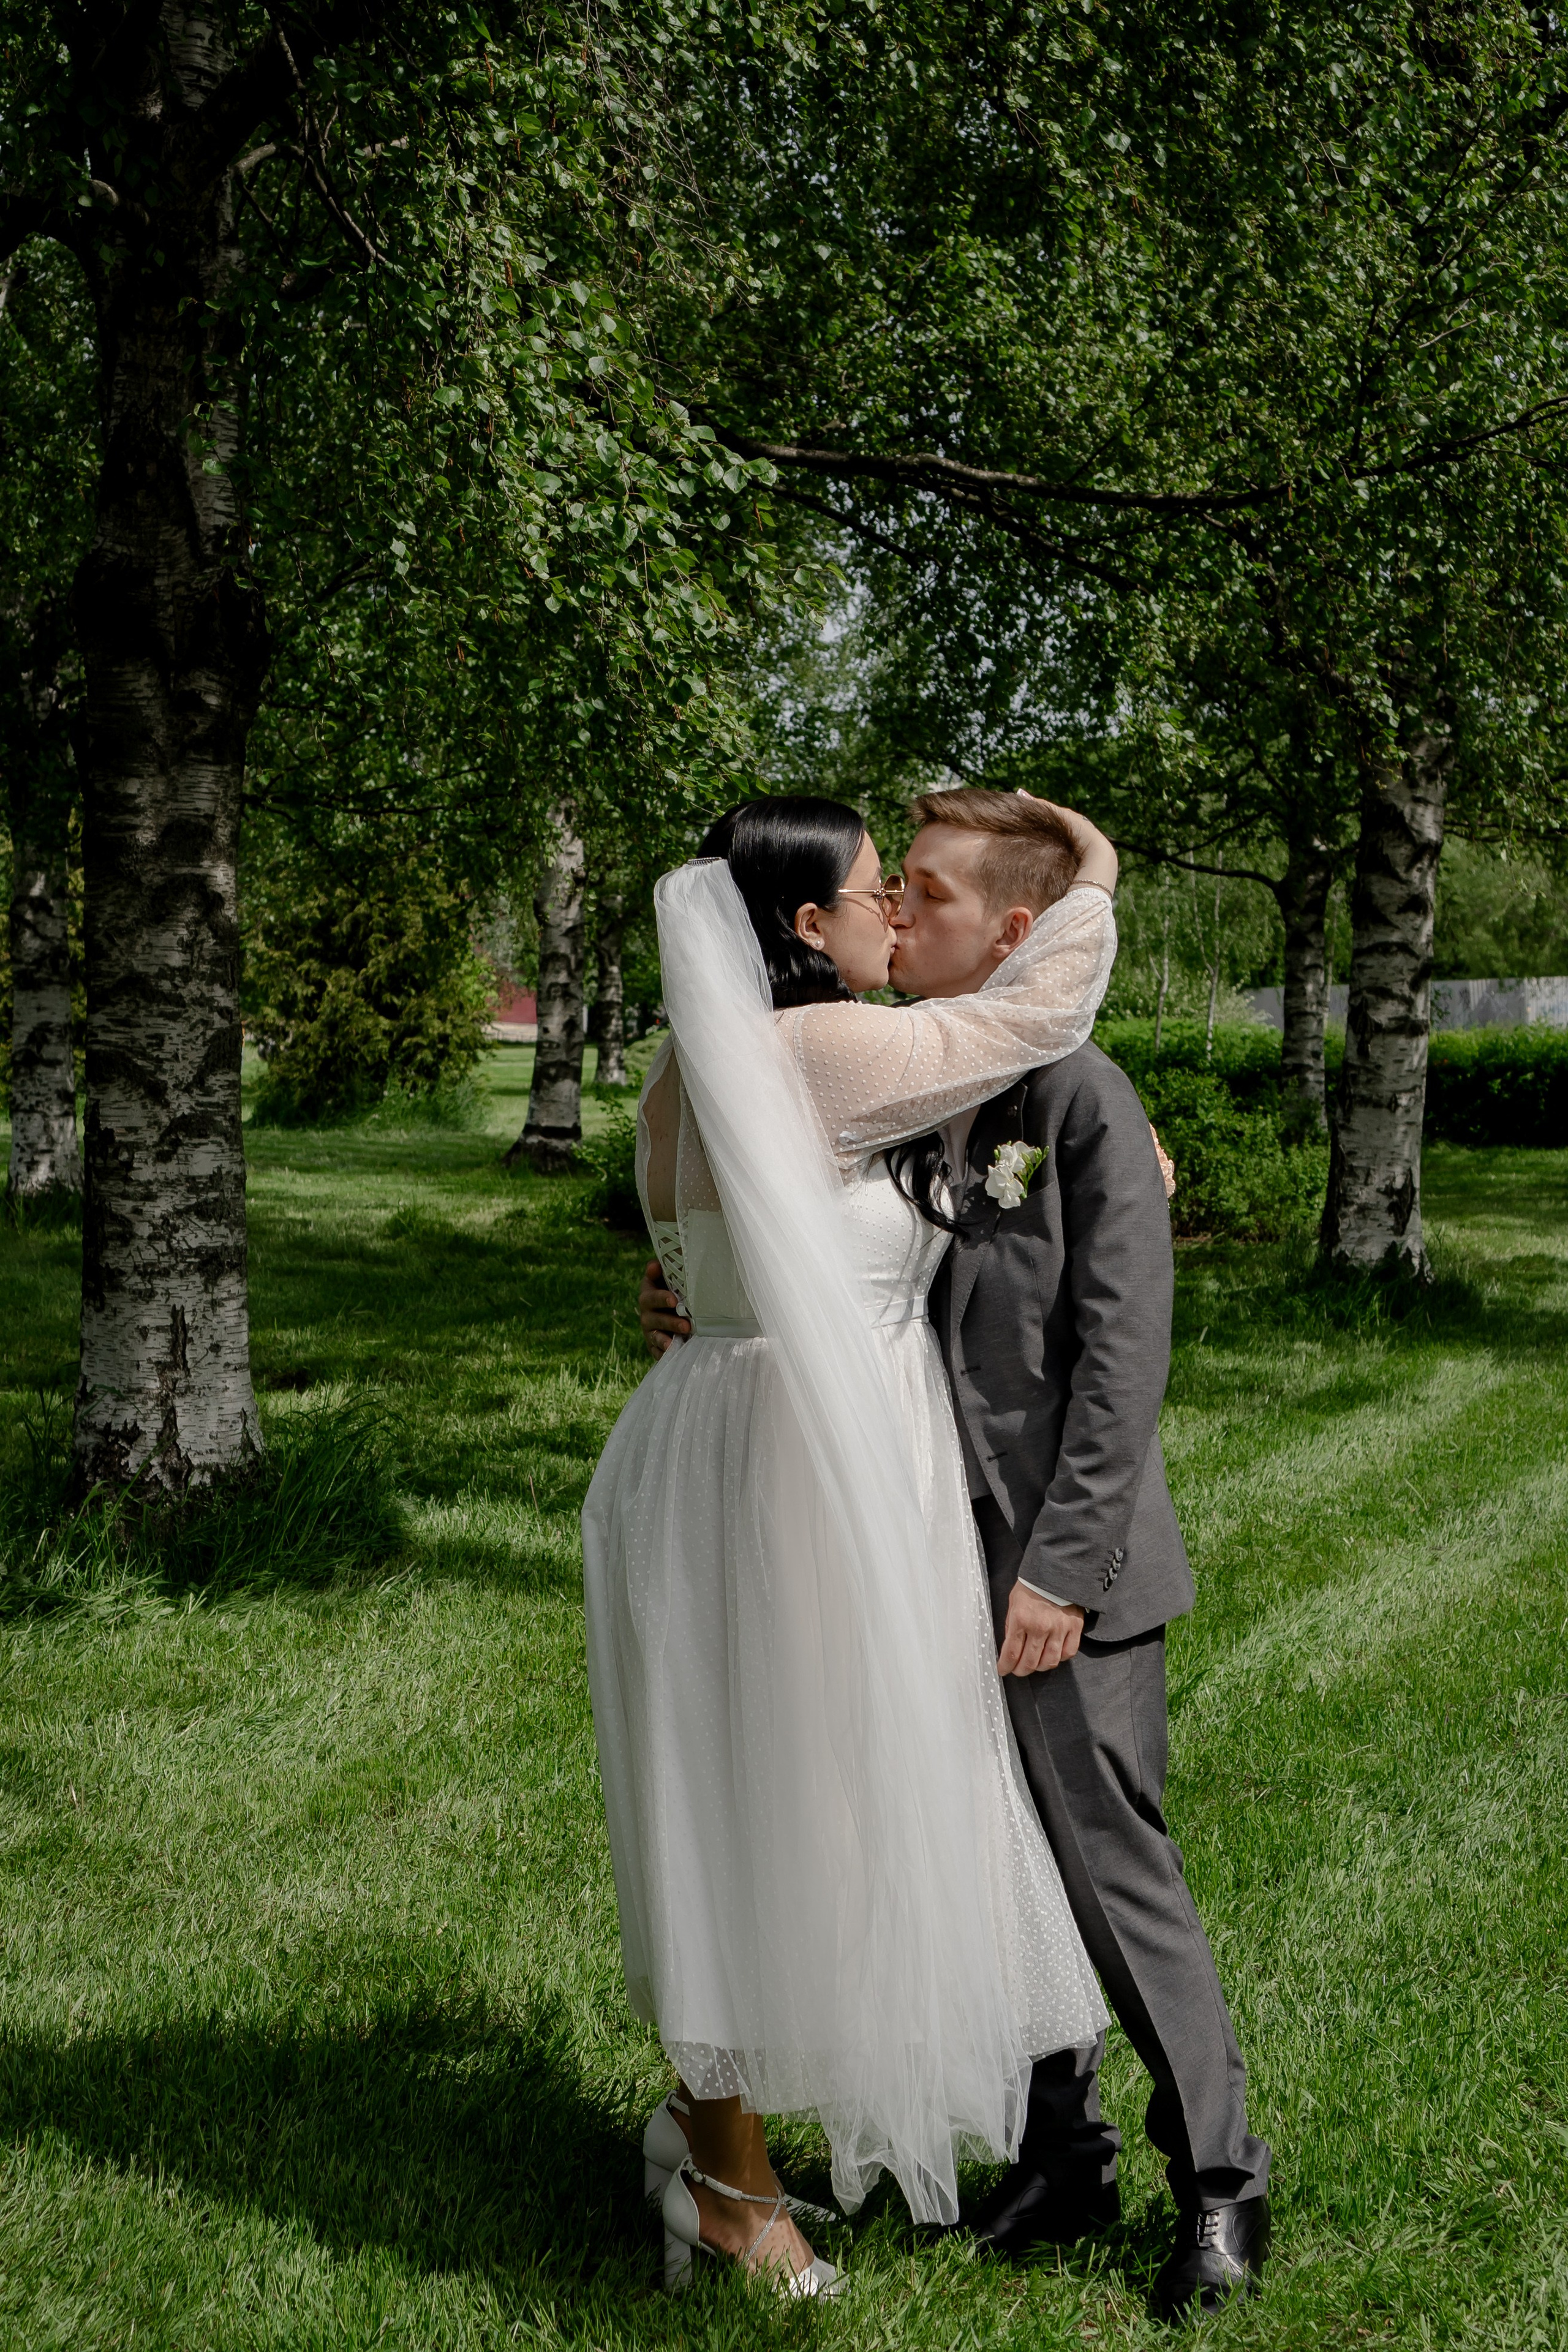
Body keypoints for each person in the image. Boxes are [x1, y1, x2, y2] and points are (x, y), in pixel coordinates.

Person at [641, 787, 1272, 2320]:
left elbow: (1121, 1365)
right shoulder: (888, 1068)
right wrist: (700, 1303)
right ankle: (1060, 2159)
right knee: (983, 1864)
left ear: (1010, 933)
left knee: (1105, 1873)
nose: (897, 912)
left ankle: (1219, 2184)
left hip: (1049, 1561)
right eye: (889, 888)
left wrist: (1062, 1571)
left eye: (924, 892)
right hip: (901, 1551)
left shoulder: (1075, 1096)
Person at [583, 794, 1120, 2297]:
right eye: (877, 892)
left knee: (736, 1801)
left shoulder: (687, 1065)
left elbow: (710, 1261)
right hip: (801, 1470)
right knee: (782, 1804)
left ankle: (708, 2129)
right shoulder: (818, 1050)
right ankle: (726, 2189)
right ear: (805, 927)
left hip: (715, 1433)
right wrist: (1087, 872)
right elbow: (1037, 1011)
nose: (895, 914)